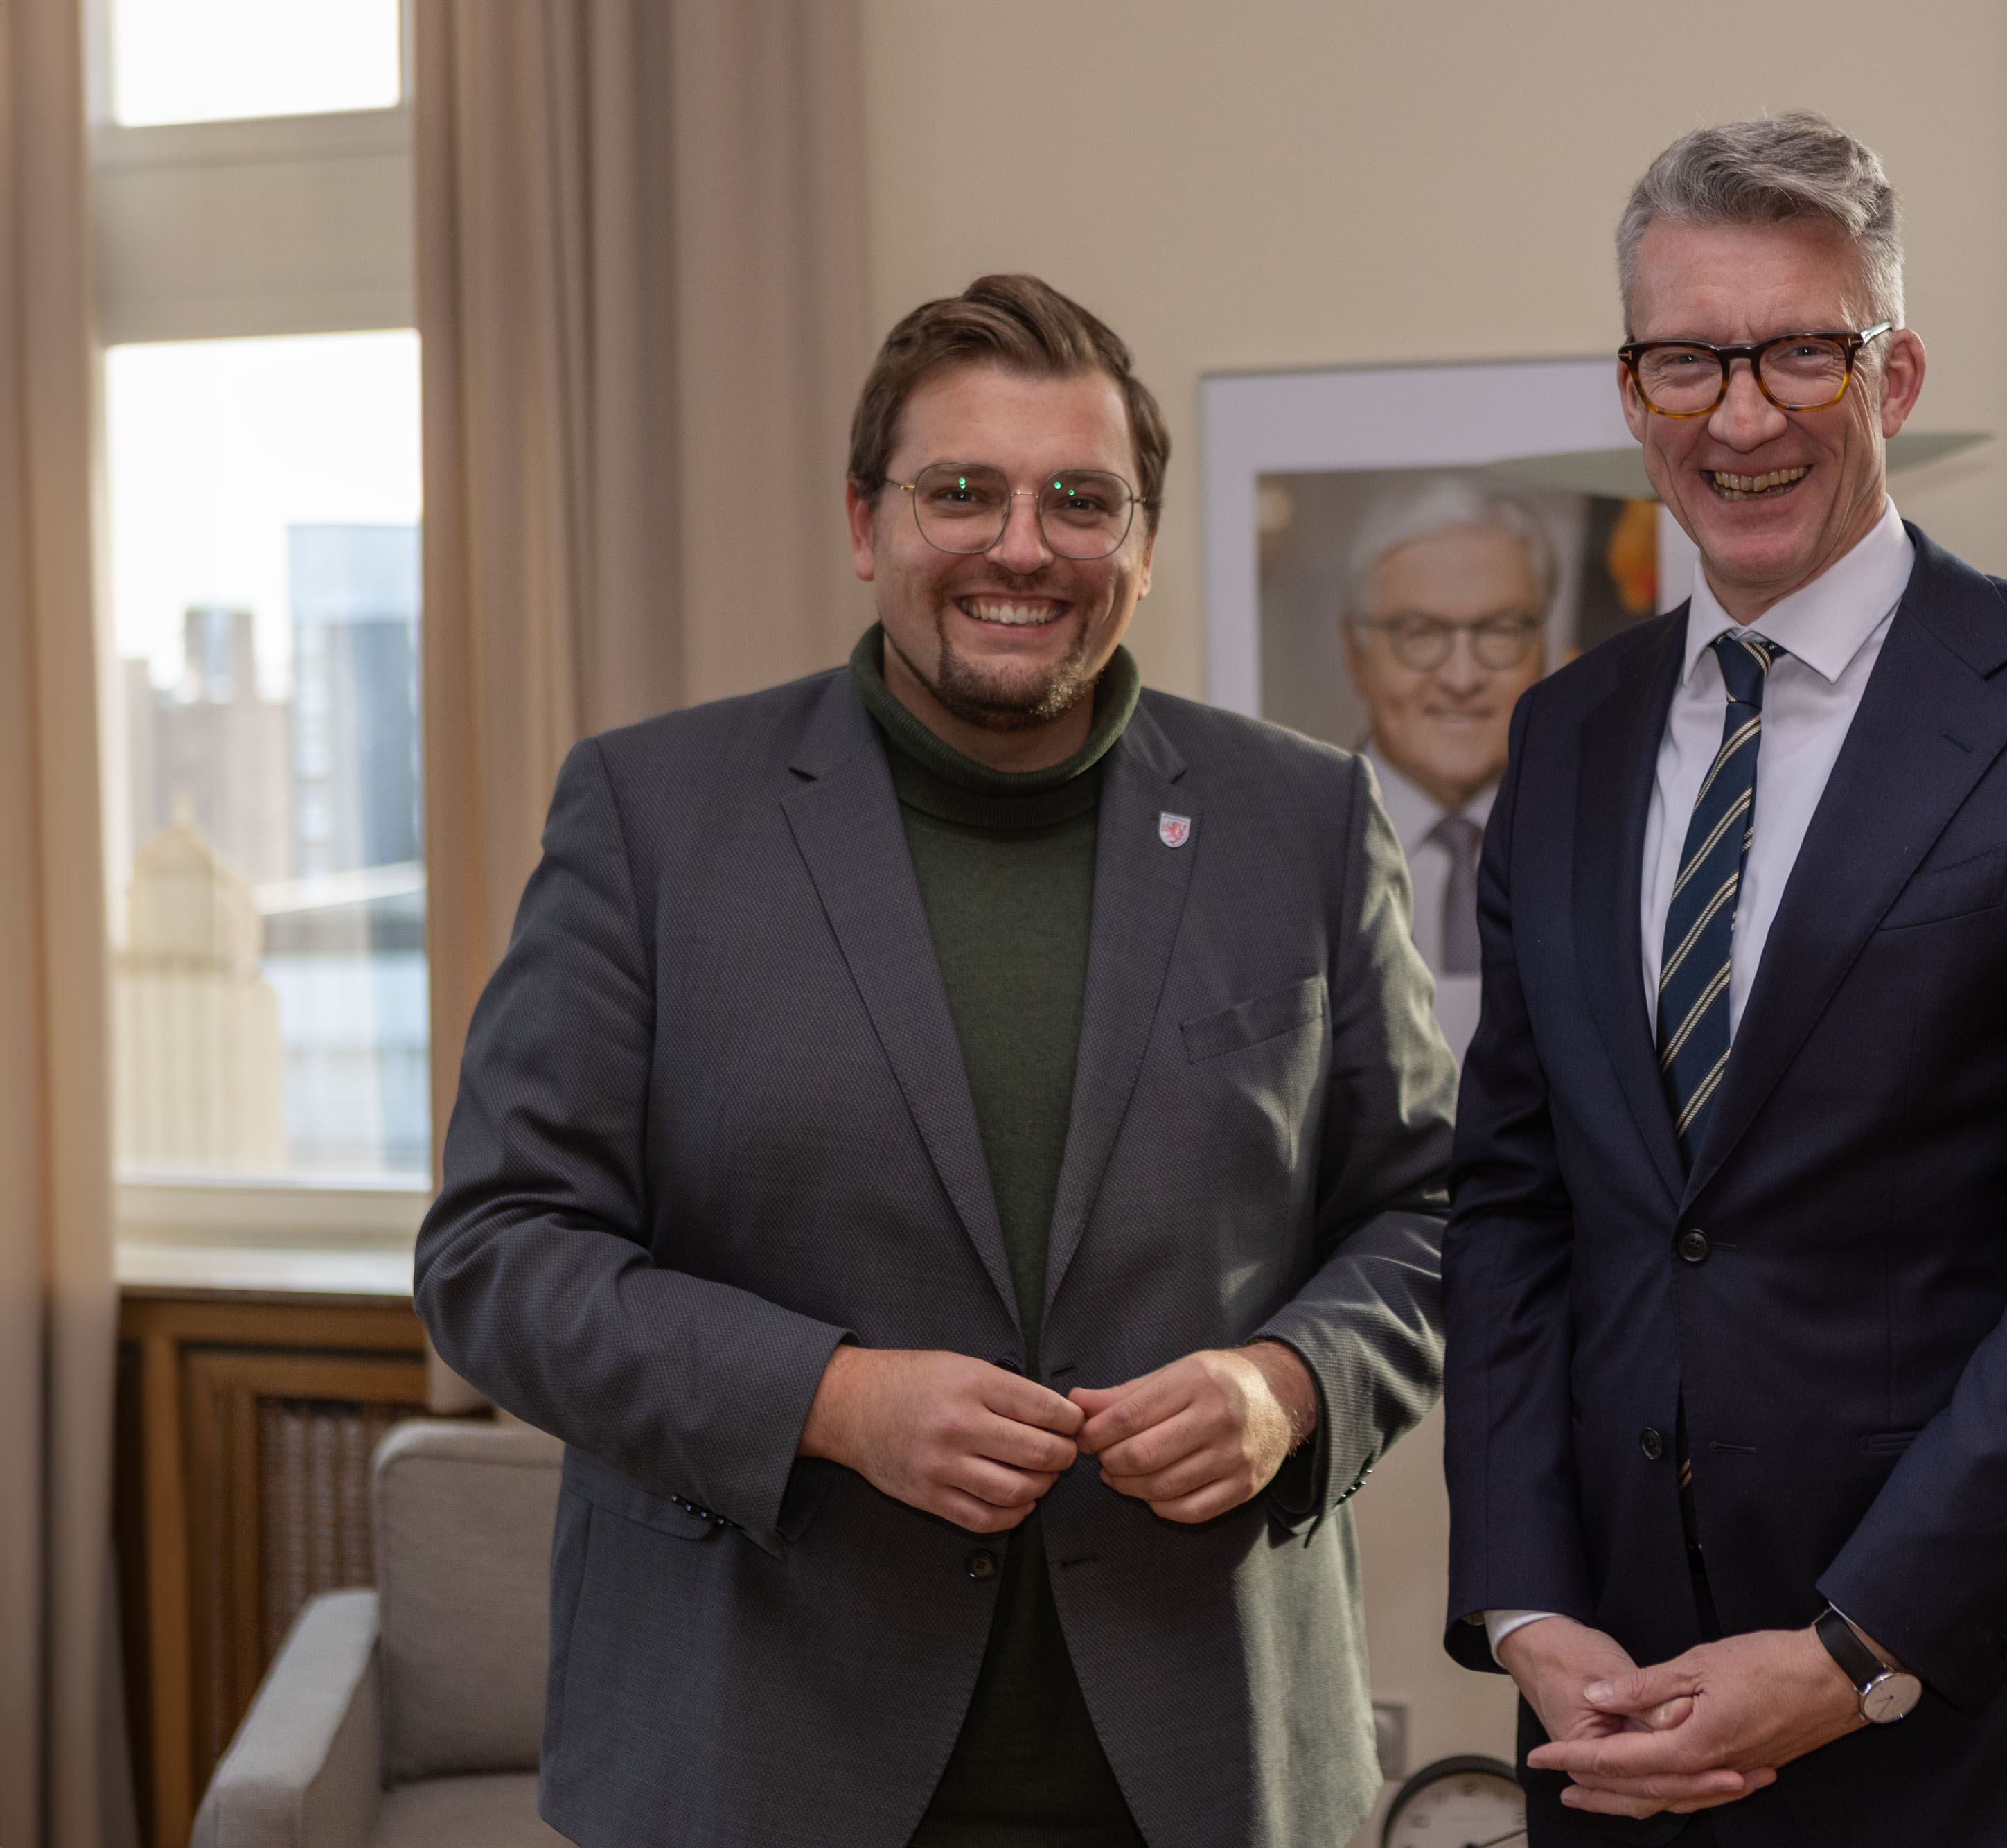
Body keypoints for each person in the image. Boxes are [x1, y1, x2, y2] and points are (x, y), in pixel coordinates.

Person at [416, 274, 1453, 1848]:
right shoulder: (651, 817)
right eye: (961, 490)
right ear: (866, 520)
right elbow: (496, 1255)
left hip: (1197, 1761)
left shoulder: (1302, 820)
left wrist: (1291, 1384)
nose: (1021, 546)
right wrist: (827, 1400)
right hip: (760, 1755)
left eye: (1080, 501)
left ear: (1142, 544)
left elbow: (1438, 1212)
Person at [1440, 114, 2007, 1844]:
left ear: (1894, 372)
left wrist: (1849, 1649)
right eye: (1685, 361)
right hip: (1616, 1715)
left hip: (1953, 1705)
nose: (1741, 418)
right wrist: (1521, 1604)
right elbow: (1510, 1203)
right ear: (1632, 389)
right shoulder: (1564, 736)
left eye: (1802, 350)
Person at [1339, 479, 1558, 1057]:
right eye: (1421, 633)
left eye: (1501, 630)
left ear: (1544, 645)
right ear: (1355, 654)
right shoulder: (1294, 851)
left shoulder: (1605, 840)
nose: (1462, 678)